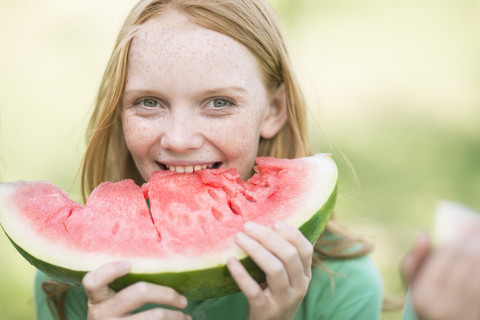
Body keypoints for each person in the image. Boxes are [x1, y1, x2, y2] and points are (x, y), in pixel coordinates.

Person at [34, 0, 383, 319]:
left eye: (219, 103)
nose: (179, 140)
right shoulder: (72, 279)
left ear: (273, 110)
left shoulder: (343, 282)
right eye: (149, 102)